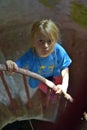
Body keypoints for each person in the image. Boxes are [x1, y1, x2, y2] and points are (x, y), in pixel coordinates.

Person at [6, 19, 72, 97]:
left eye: (50, 41)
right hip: (39, 80)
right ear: (33, 41)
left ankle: (52, 99)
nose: (46, 46)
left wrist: (64, 86)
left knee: (55, 94)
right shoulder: (30, 55)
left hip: (55, 76)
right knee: (44, 92)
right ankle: (47, 96)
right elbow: (14, 67)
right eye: (41, 41)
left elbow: (64, 67)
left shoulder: (58, 50)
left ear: (55, 41)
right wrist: (10, 64)